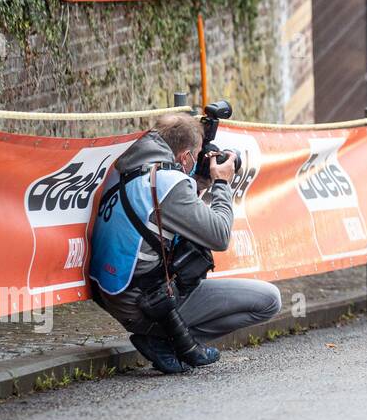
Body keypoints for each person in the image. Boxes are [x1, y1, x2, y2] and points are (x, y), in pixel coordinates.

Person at [89, 114, 280, 374]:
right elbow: (219, 235)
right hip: (145, 304)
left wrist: (198, 183)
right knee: (269, 299)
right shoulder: (168, 183)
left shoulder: (128, 168)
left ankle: (161, 338)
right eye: (198, 154)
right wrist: (222, 183)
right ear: (185, 157)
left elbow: (164, 217)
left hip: (115, 296)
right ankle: (164, 339)